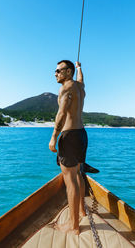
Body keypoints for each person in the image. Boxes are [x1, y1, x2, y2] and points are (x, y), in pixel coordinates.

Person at [49, 60, 88, 235]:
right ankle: (82, 211)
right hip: (81, 135)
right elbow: (82, 79)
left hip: (70, 136)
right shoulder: (79, 87)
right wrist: (80, 68)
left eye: (58, 70)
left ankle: (74, 227)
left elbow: (61, 113)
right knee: (78, 173)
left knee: (70, 180)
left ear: (68, 72)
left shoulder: (66, 88)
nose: (55, 74)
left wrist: (53, 138)